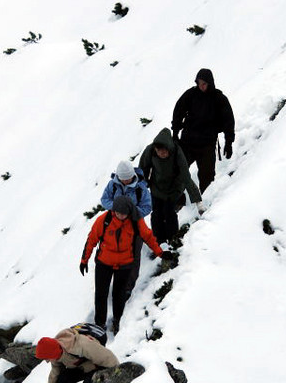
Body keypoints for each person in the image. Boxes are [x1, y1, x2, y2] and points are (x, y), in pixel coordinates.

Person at [80, 195, 164, 332]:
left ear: (129, 212)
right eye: (117, 212)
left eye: (123, 213)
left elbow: (148, 237)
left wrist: (160, 252)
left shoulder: (136, 221)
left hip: (124, 265)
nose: (120, 215)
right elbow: (91, 240)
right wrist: (84, 260)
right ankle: (99, 324)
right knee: (101, 294)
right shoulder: (104, 220)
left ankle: (118, 320)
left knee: (119, 295)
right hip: (104, 263)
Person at [171, 68, 235, 192]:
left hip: (207, 144)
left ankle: (206, 205)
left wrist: (229, 142)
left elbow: (229, 121)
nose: (201, 87)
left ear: (210, 82)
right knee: (177, 170)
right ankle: (178, 202)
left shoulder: (219, 98)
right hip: (188, 141)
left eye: (204, 84)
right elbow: (178, 111)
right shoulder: (191, 94)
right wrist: (175, 133)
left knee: (207, 178)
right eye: (199, 84)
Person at [139, 128, 204, 244]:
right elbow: (143, 168)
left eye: (164, 151)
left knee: (169, 213)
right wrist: (144, 183)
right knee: (156, 214)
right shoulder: (150, 151)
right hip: (157, 186)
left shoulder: (177, 153)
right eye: (159, 151)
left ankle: (173, 240)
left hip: (174, 187)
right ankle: (159, 241)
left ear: (168, 148)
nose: (161, 154)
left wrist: (198, 201)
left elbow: (186, 177)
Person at [35, 325, 119, 383]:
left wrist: (118, 373)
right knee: (61, 381)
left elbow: (107, 357)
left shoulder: (82, 344)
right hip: (83, 367)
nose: (47, 361)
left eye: (46, 358)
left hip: (99, 365)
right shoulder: (56, 355)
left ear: (52, 353)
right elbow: (53, 380)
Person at [100, 160, 153, 297]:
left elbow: (147, 207)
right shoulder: (112, 185)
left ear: (133, 175)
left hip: (135, 227)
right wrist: (117, 209)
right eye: (122, 179)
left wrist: (131, 212)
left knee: (133, 257)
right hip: (115, 226)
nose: (125, 181)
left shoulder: (141, 188)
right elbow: (104, 200)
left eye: (127, 178)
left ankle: (127, 288)